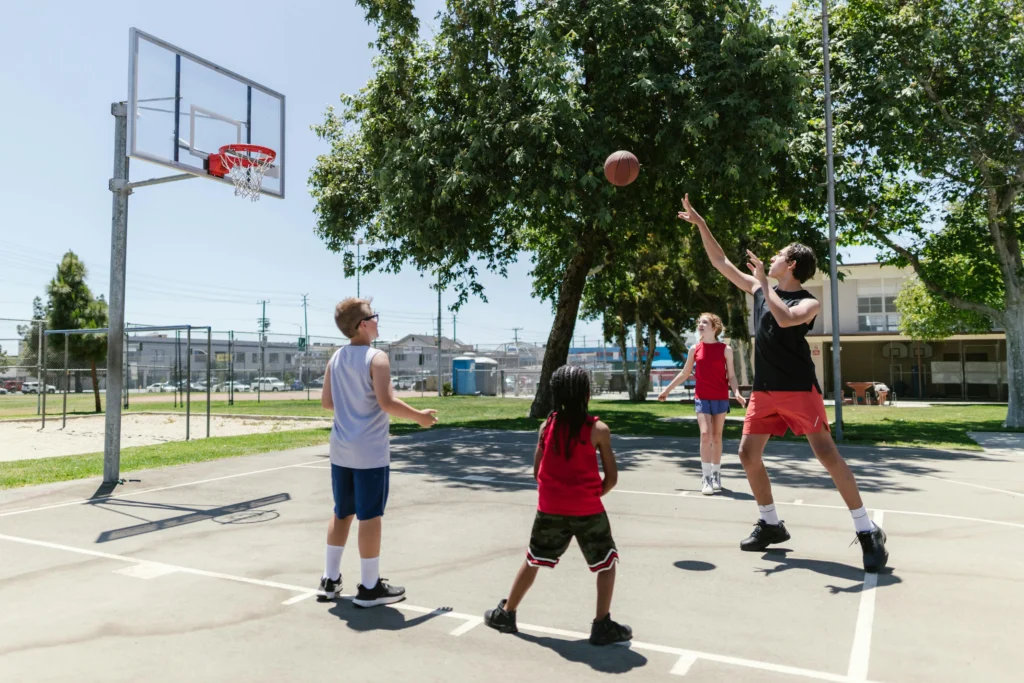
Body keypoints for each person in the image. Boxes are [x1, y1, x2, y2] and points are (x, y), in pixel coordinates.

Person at [677, 195, 888, 572]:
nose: (770, 258)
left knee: (825, 454)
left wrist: (762, 283)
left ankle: (867, 532)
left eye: (777, 255)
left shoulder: (808, 301)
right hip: (764, 389)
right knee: (746, 454)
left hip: (797, 388)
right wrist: (701, 225)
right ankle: (770, 523)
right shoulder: (761, 289)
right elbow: (720, 262)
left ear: (790, 265)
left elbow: (787, 318)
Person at [483, 366, 632, 645]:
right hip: (588, 509)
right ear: (587, 394)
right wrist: (592, 493)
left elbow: (536, 471)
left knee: (533, 559)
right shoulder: (598, 429)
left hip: (550, 508)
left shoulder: (546, 425)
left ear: (556, 394)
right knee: (606, 563)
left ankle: (507, 613)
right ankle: (602, 625)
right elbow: (611, 478)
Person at [317, 297, 438, 606]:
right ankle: (370, 587)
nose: (377, 320)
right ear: (363, 324)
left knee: (342, 511)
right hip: (369, 452)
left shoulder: (336, 358)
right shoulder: (377, 358)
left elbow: (327, 403)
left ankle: (329, 580)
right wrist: (420, 417)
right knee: (370, 516)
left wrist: (352, 404)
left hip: (341, 448)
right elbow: (386, 402)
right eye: (374, 316)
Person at [658, 313, 746, 495]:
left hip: (720, 397)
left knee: (716, 437)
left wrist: (736, 392)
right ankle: (706, 478)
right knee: (705, 434)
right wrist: (667, 390)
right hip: (702, 398)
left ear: (714, 327)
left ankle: (716, 474)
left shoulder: (725, 350)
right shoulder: (694, 349)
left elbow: (731, 376)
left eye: (704, 322)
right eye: (699, 322)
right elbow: (684, 373)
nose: (700, 325)